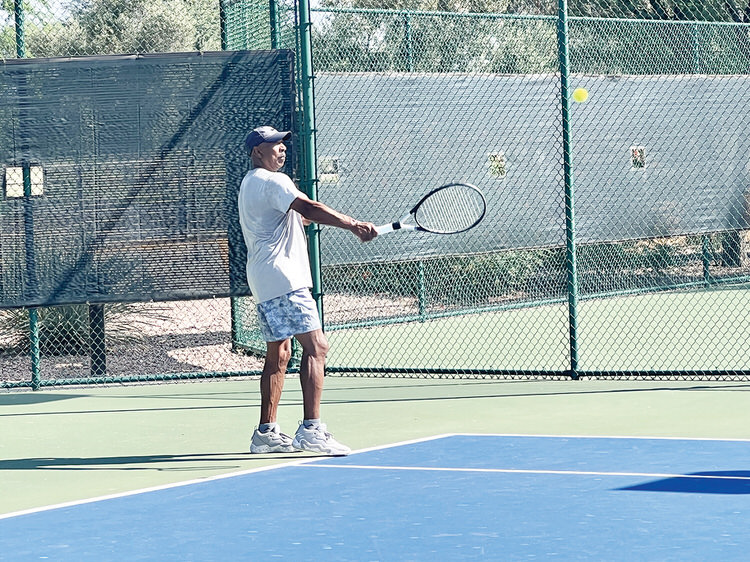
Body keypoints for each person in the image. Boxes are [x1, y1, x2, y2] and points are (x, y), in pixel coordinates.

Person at [238, 126, 378, 456]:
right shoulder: (273, 181)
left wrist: (315, 219)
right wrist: (353, 224)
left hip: (263, 279)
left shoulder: (250, 184)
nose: (281, 149)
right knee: (317, 346)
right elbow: (309, 209)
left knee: (280, 354)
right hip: (285, 279)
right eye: (273, 145)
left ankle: (265, 433)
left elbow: (295, 219)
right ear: (257, 152)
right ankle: (312, 430)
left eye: (283, 144)